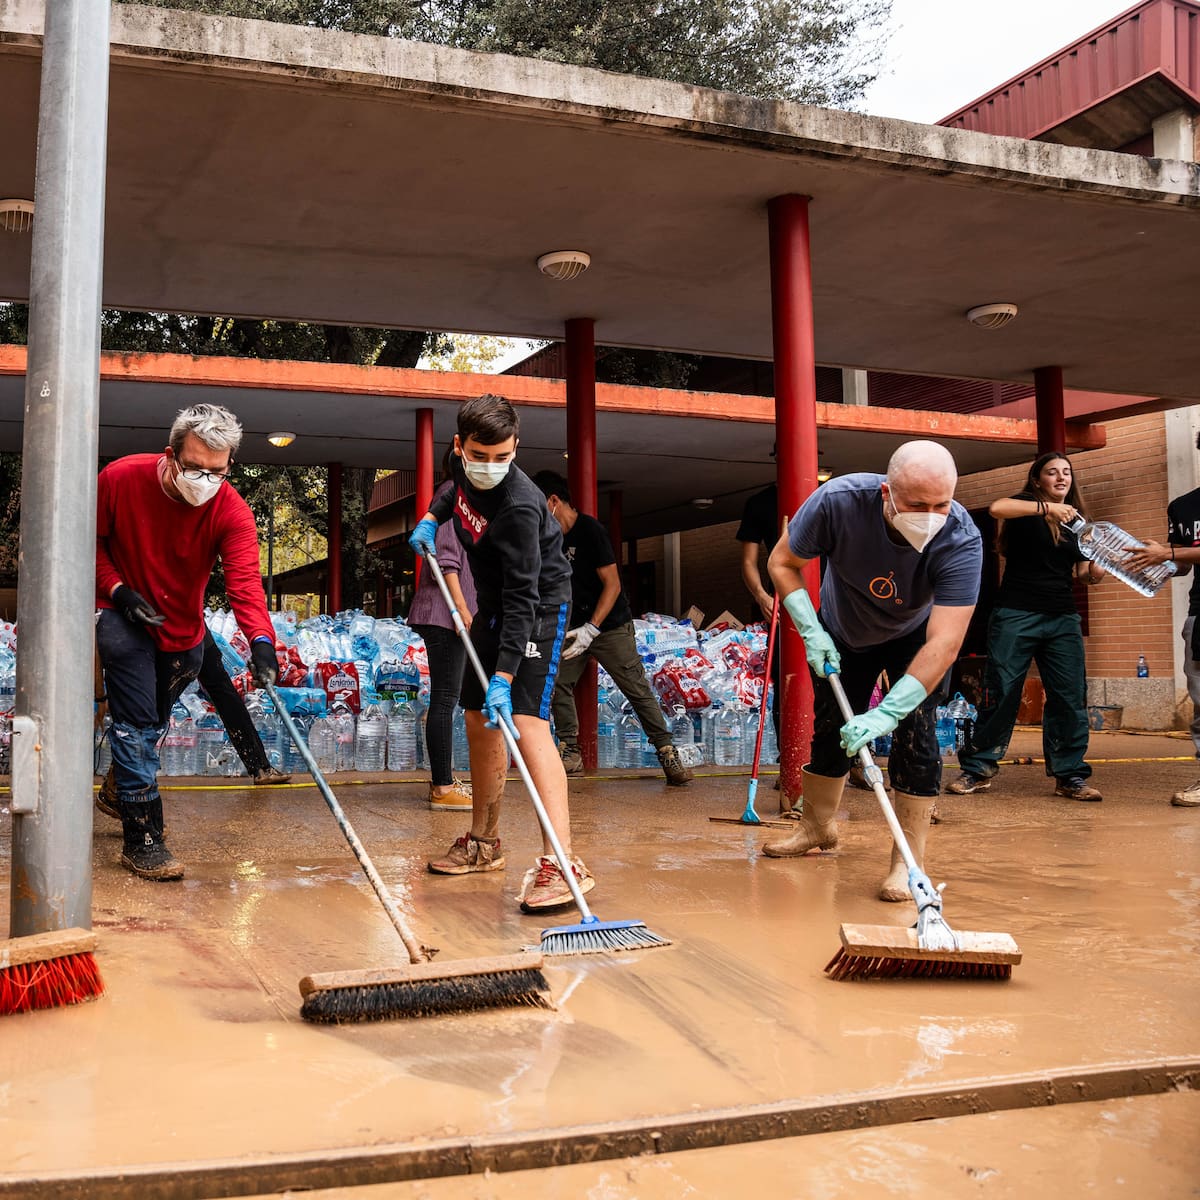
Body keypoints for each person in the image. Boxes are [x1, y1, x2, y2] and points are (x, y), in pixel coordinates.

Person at [762, 440, 981, 902]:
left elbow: (945, 641)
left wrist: (889, 712)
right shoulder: (838, 502)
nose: (930, 516)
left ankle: (908, 859)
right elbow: (782, 562)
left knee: (917, 734)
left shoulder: (960, 538)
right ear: (886, 493)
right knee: (831, 728)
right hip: (842, 630)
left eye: (941, 504)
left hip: (916, 637)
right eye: (916, 505)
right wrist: (810, 629)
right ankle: (817, 827)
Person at [409, 395, 594, 912]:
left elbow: (524, 601)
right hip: (493, 603)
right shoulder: (462, 468)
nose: (489, 466)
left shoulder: (520, 506)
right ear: (460, 446)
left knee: (526, 722)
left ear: (515, 449)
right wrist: (432, 517)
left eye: (502, 457)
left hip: (538, 609)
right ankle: (484, 843)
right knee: (476, 716)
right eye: (479, 455)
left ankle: (563, 862)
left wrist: (506, 677)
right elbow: (453, 491)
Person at [95, 403, 278, 880]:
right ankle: (143, 839)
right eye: (194, 468)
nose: (205, 480)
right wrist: (117, 589)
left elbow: (244, 583)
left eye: (217, 471)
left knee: (151, 724)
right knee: (136, 726)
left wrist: (261, 641)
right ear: (170, 455)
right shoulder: (120, 479)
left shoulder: (231, 510)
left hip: (182, 629)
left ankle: (119, 789)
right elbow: (87, 541)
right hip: (121, 611)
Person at [947, 452, 1106, 802]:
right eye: (1052, 472)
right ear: (1037, 480)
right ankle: (977, 769)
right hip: (1016, 613)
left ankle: (1070, 775)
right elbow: (996, 508)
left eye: (1066, 472)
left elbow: (1084, 575)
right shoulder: (1026, 506)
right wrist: (1047, 509)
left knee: (1069, 696)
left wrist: (1100, 565)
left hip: (1062, 617)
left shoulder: (1080, 522)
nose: (1061, 477)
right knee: (1001, 691)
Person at [531, 472, 693, 787]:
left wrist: (593, 628)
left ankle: (667, 752)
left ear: (553, 501)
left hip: (610, 625)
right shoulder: (548, 538)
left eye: (538, 506)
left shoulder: (590, 531)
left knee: (635, 688)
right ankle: (570, 750)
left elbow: (613, 585)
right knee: (557, 681)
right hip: (572, 625)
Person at [96, 627, 289, 817]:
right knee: (160, 703)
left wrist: (261, 642)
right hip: (167, 626)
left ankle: (259, 765)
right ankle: (118, 784)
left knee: (220, 687)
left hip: (193, 626)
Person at [1126, 430, 1200, 807]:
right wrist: (1149, 560)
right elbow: (1182, 565)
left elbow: (1176, 553)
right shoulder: (1182, 507)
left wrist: (1168, 552)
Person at [408, 450, 478, 812]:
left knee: (447, 698)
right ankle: (441, 786)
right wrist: (461, 609)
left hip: (451, 615)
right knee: (445, 699)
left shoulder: (464, 500)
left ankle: (444, 780)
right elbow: (446, 560)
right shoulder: (452, 495)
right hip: (445, 615)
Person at [735, 474, 786, 799]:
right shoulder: (761, 503)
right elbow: (749, 561)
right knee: (785, 682)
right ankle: (789, 759)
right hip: (784, 600)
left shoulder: (825, 496)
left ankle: (849, 759)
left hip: (831, 599)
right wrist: (762, 596)